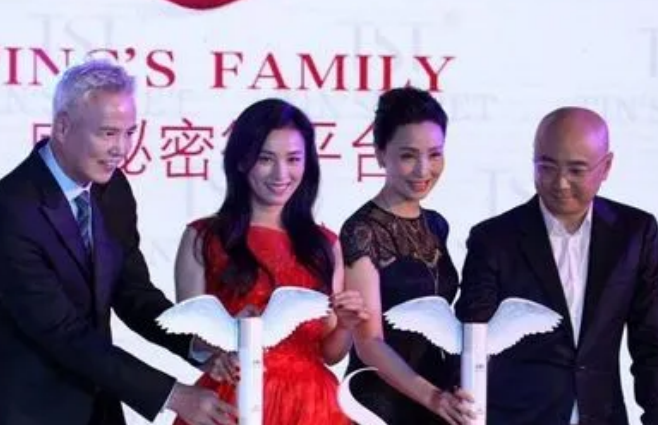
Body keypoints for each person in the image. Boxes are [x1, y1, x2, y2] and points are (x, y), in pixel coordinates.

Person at [0, 59, 236, 425]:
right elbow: (64, 332)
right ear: (62, 127)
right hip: (33, 411)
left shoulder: (112, 189)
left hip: (101, 407)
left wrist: (193, 344)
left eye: (129, 133)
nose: (122, 148)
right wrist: (174, 395)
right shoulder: (12, 208)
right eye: (108, 133)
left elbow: (133, 292)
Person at [455, 107, 658, 425]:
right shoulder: (494, 239)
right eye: (546, 167)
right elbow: (472, 339)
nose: (560, 183)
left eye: (576, 170)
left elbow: (652, 341)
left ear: (606, 166)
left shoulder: (635, 233)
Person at [172, 97, 369, 425]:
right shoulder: (203, 237)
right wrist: (231, 332)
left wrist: (347, 326)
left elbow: (328, 353)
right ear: (241, 161)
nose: (281, 173)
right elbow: (190, 340)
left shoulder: (324, 244)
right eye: (265, 159)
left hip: (313, 407)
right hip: (233, 398)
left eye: (293, 159)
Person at [340, 86, 473, 425]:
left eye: (435, 154)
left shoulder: (437, 225)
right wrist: (431, 396)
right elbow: (368, 341)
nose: (423, 170)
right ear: (380, 154)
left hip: (438, 395)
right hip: (381, 400)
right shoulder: (361, 230)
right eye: (409, 156)